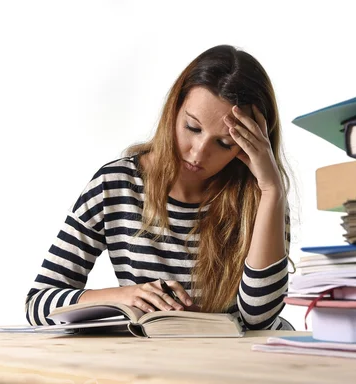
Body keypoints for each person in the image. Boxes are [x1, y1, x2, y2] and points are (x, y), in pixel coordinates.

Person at [25, 45, 294, 331]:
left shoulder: (261, 195)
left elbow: (259, 318)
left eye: (225, 143)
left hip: (243, 367)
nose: (199, 153)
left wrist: (272, 190)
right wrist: (123, 297)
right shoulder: (116, 186)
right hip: (157, 363)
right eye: (192, 127)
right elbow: (38, 304)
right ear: (173, 110)